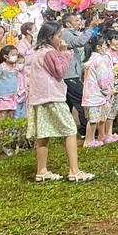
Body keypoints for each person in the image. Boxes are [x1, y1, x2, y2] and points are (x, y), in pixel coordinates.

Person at [27, 22, 95, 183]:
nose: (61, 39)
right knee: (70, 130)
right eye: (59, 36)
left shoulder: (39, 51)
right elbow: (60, 72)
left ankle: (42, 171)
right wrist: (64, 53)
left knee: (43, 134)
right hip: (52, 97)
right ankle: (74, 171)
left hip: (40, 97)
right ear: (50, 37)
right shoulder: (49, 52)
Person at [61, 13, 101, 136]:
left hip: (71, 74)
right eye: (76, 21)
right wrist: (90, 28)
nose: (79, 22)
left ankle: (66, 131)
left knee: (67, 104)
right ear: (68, 24)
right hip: (70, 75)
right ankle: (85, 130)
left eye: (79, 20)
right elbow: (80, 42)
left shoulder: (70, 34)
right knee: (82, 100)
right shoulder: (66, 34)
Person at [81, 34, 113, 147]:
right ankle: (88, 141)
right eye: (105, 44)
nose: (107, 46)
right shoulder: (100, 60)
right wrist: (107, 90)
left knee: (93, 118)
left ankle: (93, 139)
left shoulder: (91, 59)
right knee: (93, 120)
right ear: (99, 47)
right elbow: (103, 79)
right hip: (97, 94)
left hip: (89, 94)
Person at [103, 30, 118, 143]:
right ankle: (103, 134)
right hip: (110, 87)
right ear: (109, 41)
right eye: (115, 39)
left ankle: (109, 133)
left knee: (113, 110)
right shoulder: (106, 54)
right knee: (106, 109)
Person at [0, 45, 21, 121]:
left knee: (10, 115)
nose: (16, 57)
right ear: (6, 56)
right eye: (13, 55)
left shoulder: (16, 68)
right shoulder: (0, 68)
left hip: (13, 96)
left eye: (17, 55)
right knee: (2, 115)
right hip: (3, 96)